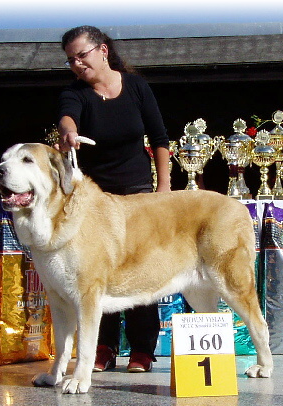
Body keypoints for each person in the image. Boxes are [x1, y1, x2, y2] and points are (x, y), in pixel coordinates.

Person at [56, 25, 171, 373]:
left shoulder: (136, 86)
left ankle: (141, 349)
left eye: (81, 55)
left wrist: (163, 189)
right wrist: (69, 132)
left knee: (140, 267)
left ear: (102, 50)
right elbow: (66, 118)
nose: (76, 64)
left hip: (139, 195)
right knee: (95, 273)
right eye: (70, 60)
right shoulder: (75, 92)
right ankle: (103, 347)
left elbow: (160, 137)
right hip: (96, 200)